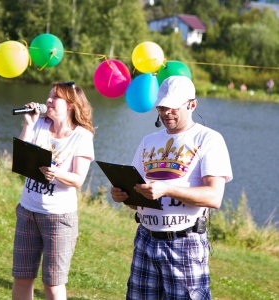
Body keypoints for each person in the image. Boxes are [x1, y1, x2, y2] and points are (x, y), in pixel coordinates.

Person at [110, 76, 232, 299]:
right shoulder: (148, 140)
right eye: (162, 107)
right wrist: (124, 195)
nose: (166, 113)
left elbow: (214, 197)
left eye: (173, 107)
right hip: (145, 238)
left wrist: (167, 189)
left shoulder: (209, 139)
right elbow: (137, 198)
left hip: (184, 242)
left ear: (192, 105)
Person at [12, 81, 95, 300]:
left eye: (55, 97)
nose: (48, 100)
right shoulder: (38, 124)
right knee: (22, 277)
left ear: (70, 104)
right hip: (28, 211)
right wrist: (29, 124)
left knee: (52, 283)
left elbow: (78, 179)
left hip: (59, 218)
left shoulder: (82, 136)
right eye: (48, 96)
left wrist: (55, 173)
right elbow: (18, 159)